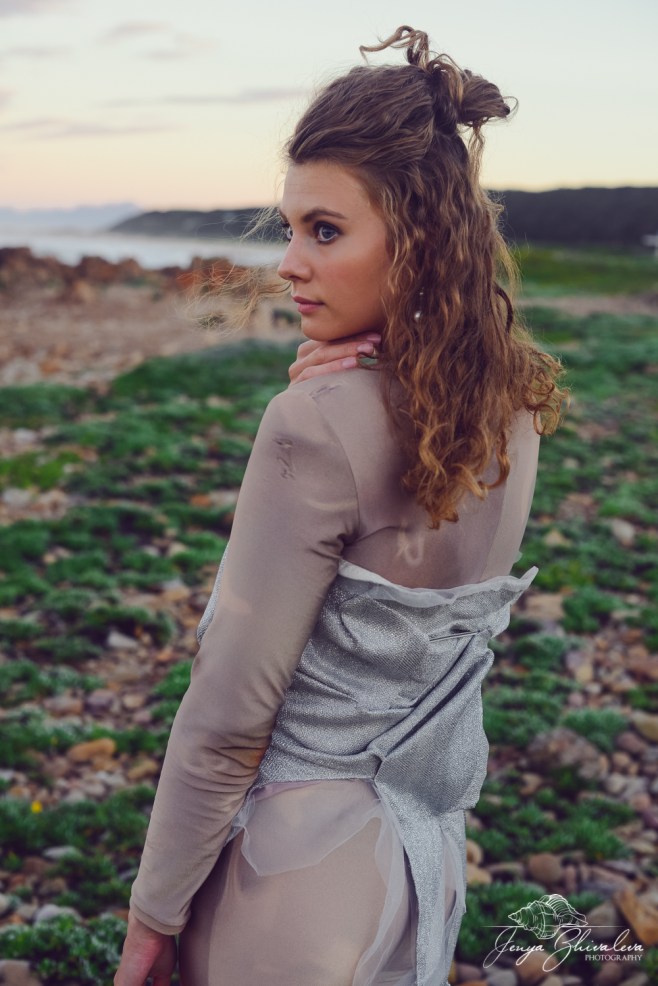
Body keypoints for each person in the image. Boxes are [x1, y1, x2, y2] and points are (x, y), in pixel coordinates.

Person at [115, 25, 568, 986]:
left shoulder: (313, 423)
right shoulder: (515, 409)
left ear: (421, 240)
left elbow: (229, 719)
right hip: (420, 862)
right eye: (289, 228)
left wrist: (153, 913)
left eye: (324, 230)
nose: (288, 262)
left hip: (291, 879)